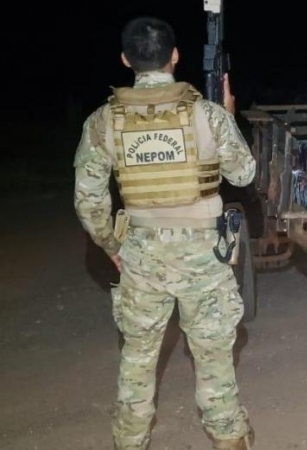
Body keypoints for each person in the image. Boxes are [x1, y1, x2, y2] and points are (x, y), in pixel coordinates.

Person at [73, 15, 256, 450]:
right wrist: (228, 117)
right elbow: (245, 174)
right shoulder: (207, 115)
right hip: (203, 259)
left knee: (137, 361)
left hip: (141, 258)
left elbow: (89, 200)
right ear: (175, 56)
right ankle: (229, 440)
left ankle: (131, 442)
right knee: (213, 360)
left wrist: (111, 245)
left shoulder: (104, 122)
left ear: (125, 59)